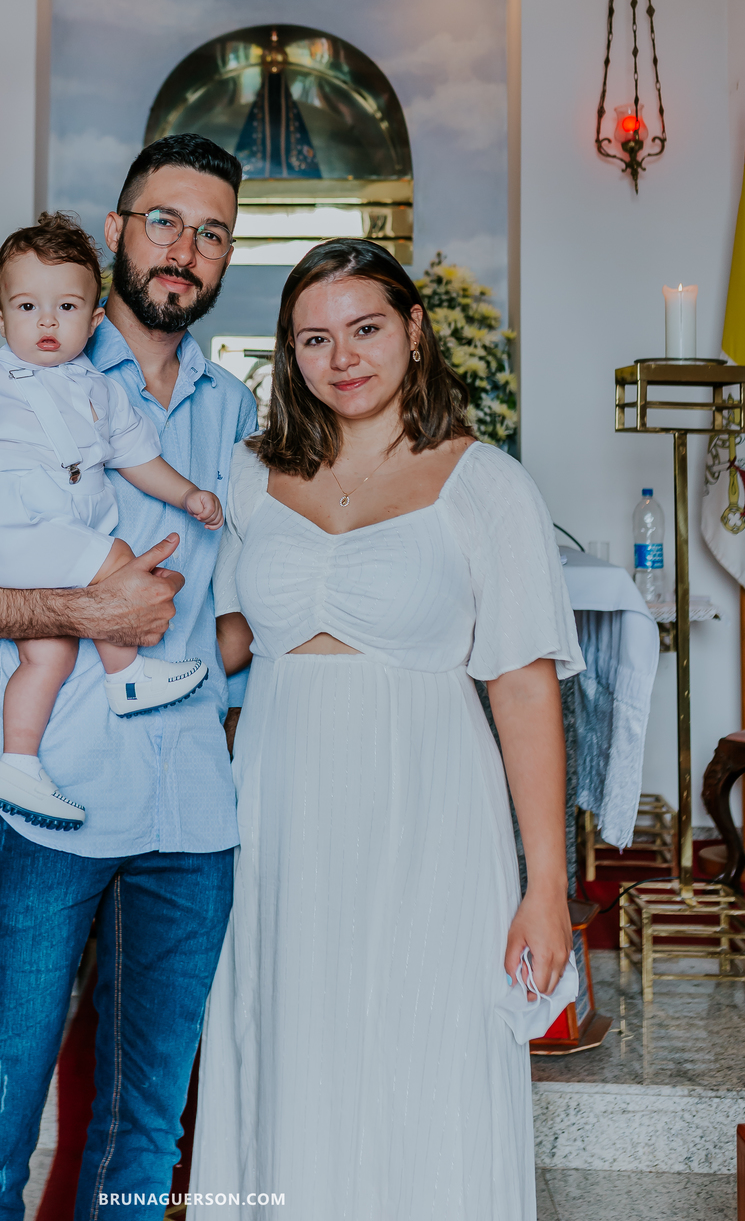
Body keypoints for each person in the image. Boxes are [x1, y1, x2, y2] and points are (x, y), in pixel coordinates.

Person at [0, 134, 257, 1221]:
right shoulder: (14, 385)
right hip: (51, 804)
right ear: (117, 232)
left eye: (213, 230)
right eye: (165, 221)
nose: (186, 247)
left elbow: (241, 590)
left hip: (191, 812)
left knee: (146, 1130)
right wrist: (78, 611)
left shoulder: (233, 412)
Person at [192, 238, 583, 1221]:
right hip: (278, 810)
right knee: (285, 1039)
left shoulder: (486, 483)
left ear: (413, 328)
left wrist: (546, 887)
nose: (343, 357)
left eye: (365, 328)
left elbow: (527, 690)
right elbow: (221, 644)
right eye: (315, 338)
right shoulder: (249, 476)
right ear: (291, 353)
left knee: (427, 1048)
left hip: (432, 811)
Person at [0, 212, 224, 831]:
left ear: (94, 317)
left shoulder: (100, 390)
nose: (48, 322)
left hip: (43, 552)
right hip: (12, 539)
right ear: (1, 319)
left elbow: (140, 459)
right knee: (114, 557)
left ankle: (18, 765)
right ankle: (128, 676)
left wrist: (189, 492)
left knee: (48, 655)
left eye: (66, 306)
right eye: (28, 307)